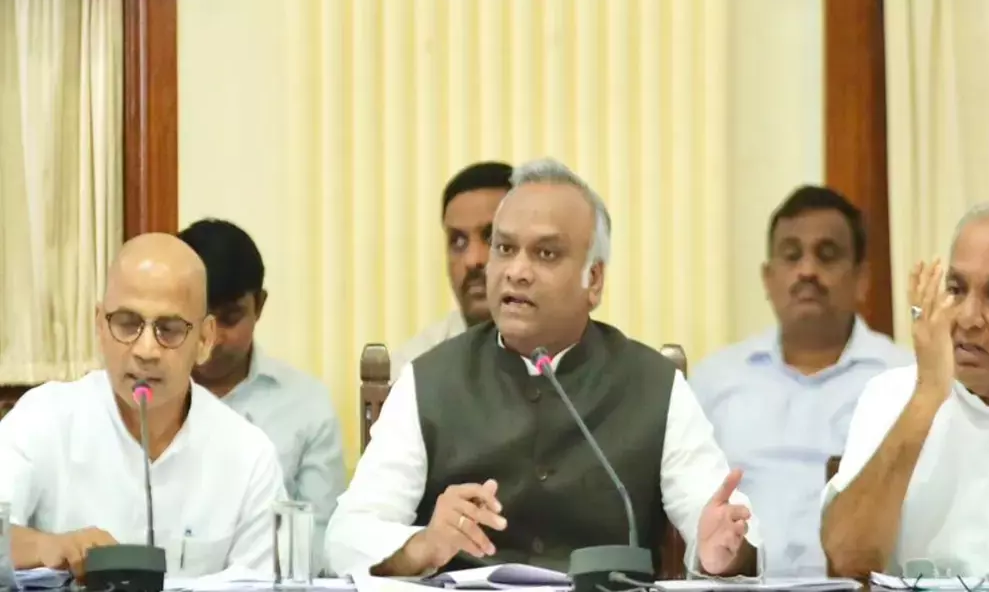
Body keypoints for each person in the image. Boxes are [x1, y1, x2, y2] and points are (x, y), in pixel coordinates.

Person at [326, 158, 762, 577]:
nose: (516, 271)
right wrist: (423, 544)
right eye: (504, 248)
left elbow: (725, 524)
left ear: (594, 280)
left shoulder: (654, 386)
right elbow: (346, 536)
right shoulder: (428, 381)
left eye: (546, 254)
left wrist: (725, 550)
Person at [0, 233, 286, 579]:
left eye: (169, 329)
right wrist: (49, 546)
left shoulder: (249, 457)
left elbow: (266, 582)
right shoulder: (44, 418)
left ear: (205, 339)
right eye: (127, 324)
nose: (146, 350)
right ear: (99, 325)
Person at [689, 186, 911, 576]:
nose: (807, 270)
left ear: (862, 278)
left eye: (827, 255)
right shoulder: (715, 381)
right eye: (791, 255)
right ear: (768, 278)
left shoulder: (904, 380)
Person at [821, 200, 989, 578]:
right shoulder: (891, 395)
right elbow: (848, 559)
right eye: (956, 289)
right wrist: (927, 397)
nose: (968, 319)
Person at [178, 218, 347, 572]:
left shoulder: (307, 405)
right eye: (200, 318)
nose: (214, 338)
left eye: (230, 318)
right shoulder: (148, 399)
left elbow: (320, 540)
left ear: (259, 305)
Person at [390, 161, 513, 381]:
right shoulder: (414, 370)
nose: (472, 260)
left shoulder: (567, 354)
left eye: (491, 237)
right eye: (458, 241)